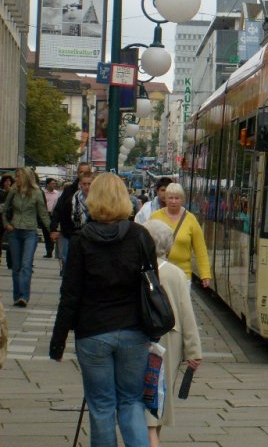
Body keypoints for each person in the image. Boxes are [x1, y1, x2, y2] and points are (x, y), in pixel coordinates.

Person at [50, 172, 156, 447]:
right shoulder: (140, 236)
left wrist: (58, 340)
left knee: (101, 405)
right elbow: (152, 284)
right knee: (131, 400)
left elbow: (70, 294)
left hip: (93, 331)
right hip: (134, 329)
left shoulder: (82, 239)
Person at [142, 220, 202, 447]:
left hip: (141, 336)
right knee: (161, 389)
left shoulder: (134, 269)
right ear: (168, 245)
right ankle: (152, 437)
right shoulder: (176, 274)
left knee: (144, 389)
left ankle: (150, 437)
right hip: (170, 338)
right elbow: (187, 314)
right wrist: (194, 351)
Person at [3, 168, 50, 307]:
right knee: (16, 266)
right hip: (15, 230)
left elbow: (43, 214)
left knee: (26, 265)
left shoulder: (37, 193)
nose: (15, 179)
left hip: (30, 231)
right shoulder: (13, 192)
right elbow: (5, 211)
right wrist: (6, 224)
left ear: (26, 178)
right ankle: (17, 296)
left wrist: (52, 231)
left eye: (18, 177)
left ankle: (24, 296)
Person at [150, 183, 211, 288]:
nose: (173, 201)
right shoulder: (155, 217)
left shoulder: (191, 219)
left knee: (181, 304)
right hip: (160, 273)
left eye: (177, 198)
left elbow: (200, 248)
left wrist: (205, 274)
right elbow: (146, 242)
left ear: (182, 200)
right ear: (165, 199)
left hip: (183, 275)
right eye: (170, 198)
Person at [50, 162, 92, 271]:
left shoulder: (95, 192)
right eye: (81, 172)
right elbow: (59, 209)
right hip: (70, 232)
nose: (83, 174)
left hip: (88, 234)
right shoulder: (69, 190)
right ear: (77, 173)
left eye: (85, 172)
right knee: (67, 260)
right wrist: (54, 228)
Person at [42, 177, 61, 258]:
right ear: (47, 184)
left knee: (52, 231)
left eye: (55, 183)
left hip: (54, 215)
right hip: (45, 214)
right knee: (46, 233)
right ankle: (48, 251)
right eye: (52, 183)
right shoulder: (43, 193)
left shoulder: (57, 193)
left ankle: (50, 250)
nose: (54, 185)